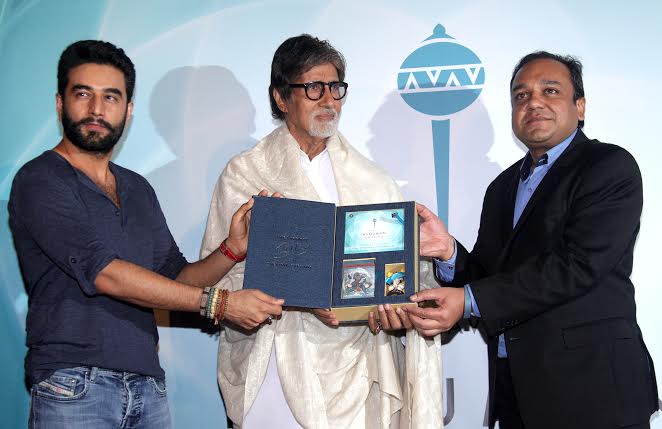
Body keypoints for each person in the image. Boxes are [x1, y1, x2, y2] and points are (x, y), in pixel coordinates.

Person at [8, 40, 283, 429]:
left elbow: (175, 278)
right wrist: (219, 304)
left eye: (111, 97)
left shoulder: (137, 188)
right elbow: (104, 273)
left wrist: (232, 249)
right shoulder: (40, 180)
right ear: (59, 103)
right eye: (83, 94)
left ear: (128, 110)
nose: (97, 109)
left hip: (147, 387)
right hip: (74, 385)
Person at [395, 52, 659, 428]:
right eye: (521, 95)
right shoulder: (502, 187)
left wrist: (467, 300)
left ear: (580, 107)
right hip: (516, 392)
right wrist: (449, 251)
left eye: (550, 91)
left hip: (594, 392)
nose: (533, 102)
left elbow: (577, 266)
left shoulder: (608, 166)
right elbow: (489, 277)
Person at [200, 34, 442, 428]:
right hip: (274, 362)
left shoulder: (372, 181)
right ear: (281, 98)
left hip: (356, 370)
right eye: (314, 87)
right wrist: (300, 293)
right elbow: (218, 281)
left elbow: (403, 282)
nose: (328, 100)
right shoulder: (245, 174)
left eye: (335, 88)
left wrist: (386, 310)